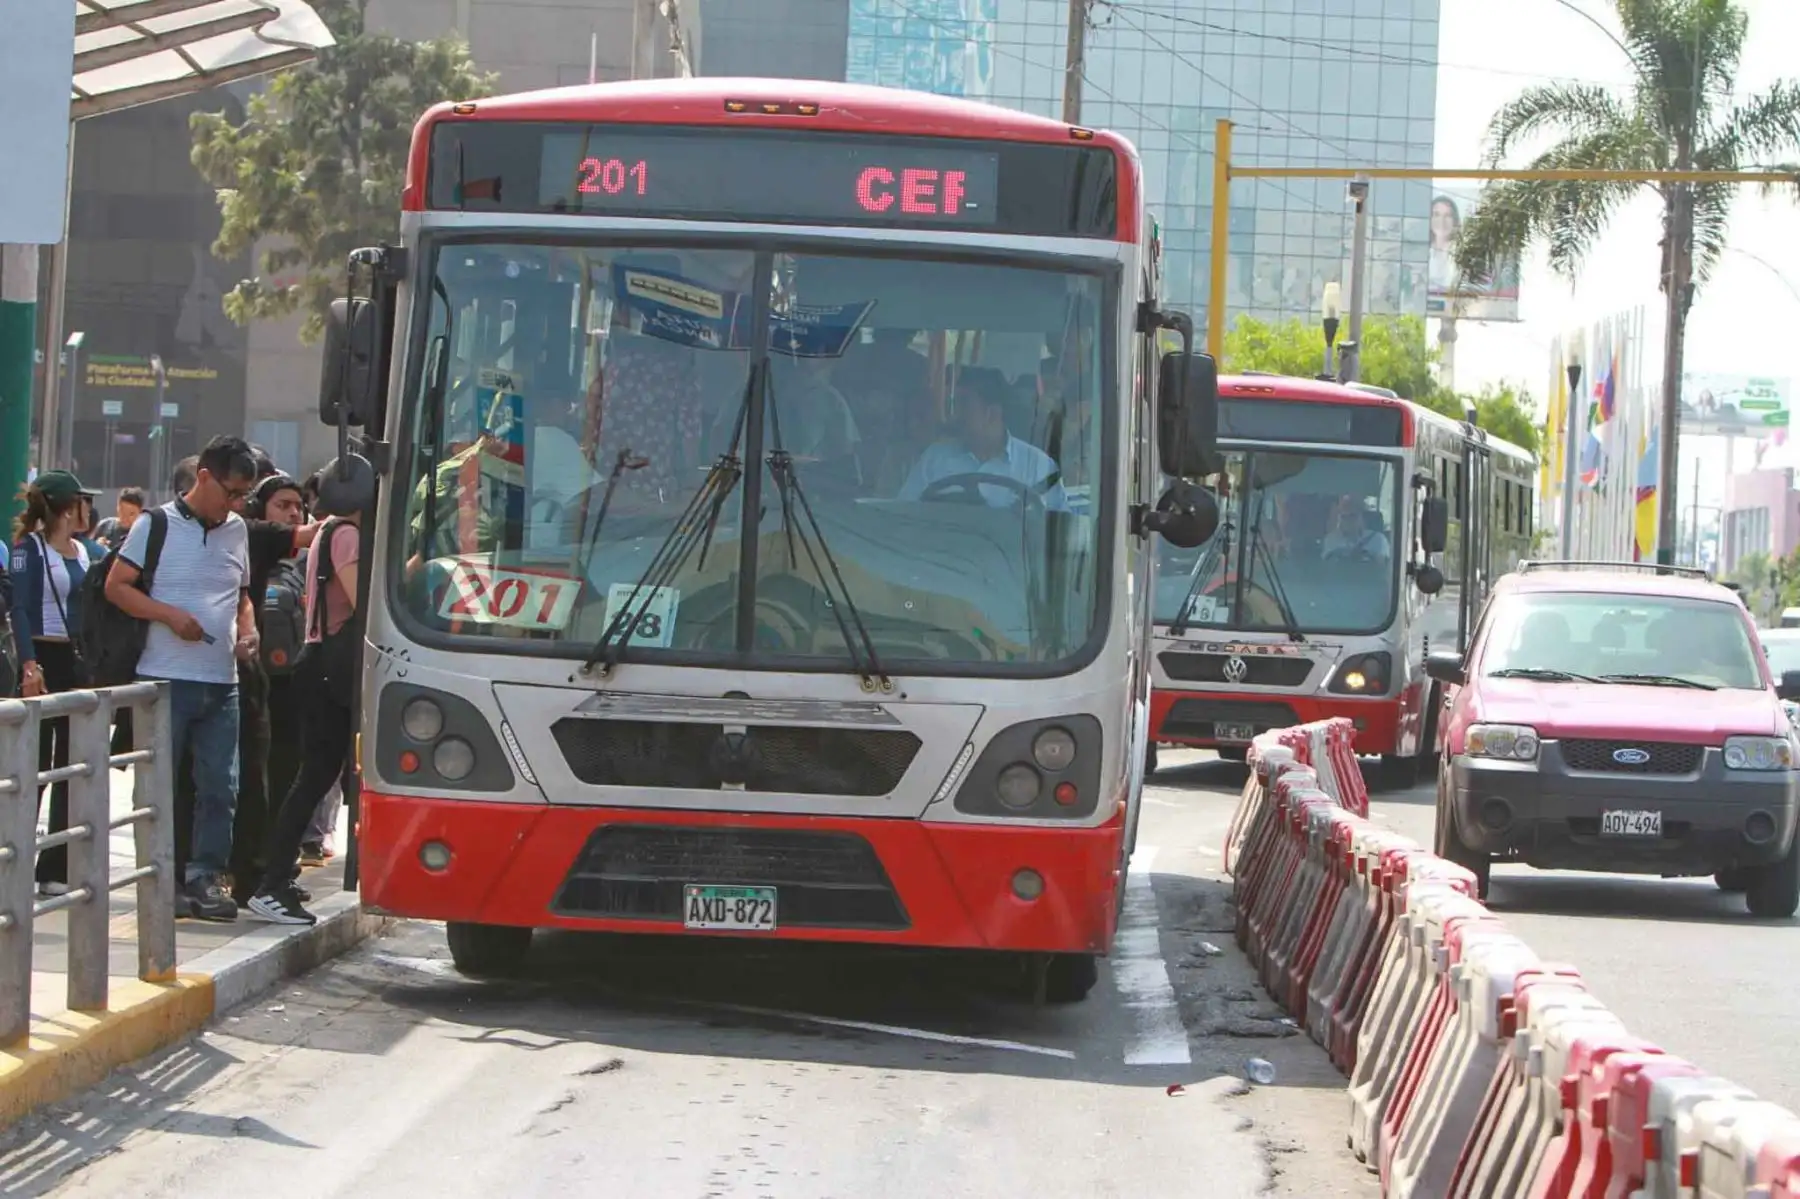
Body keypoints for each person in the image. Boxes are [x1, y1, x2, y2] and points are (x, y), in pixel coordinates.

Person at [105, 436, 260, 922]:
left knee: (221, 787)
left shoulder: (236, 531)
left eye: (243, 497)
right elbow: (117, 587)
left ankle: (205, 877)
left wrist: (249, 630)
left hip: (222, 681)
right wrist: (170, 616)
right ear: (205, 477)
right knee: (160, 789)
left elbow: (242, 594)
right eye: (231, 493)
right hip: (164, 679)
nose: (235, 505)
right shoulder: (155, 524)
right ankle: (160, 879)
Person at [249, 477, 362, 925]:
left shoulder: (330, 530)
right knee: (314, 776)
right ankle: (272, 883)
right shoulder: (347, 534)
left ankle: (276, 876)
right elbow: (362, 600)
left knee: (313, 775)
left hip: (317, 663)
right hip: (328, 667)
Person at [9, 471, 99, 896]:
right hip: (43, 657)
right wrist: (29, 663)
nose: (89, 509)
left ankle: (55, 866)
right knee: (33, 765)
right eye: (83, 501)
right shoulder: (30, 550)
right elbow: (21, 609)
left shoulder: (85, 551)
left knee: (70, 764)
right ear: (68, 507)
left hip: (74, 660)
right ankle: (14, 858)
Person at [896, 368, 1069, 511]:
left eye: (964, 405)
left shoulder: (1039, 468)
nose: (956, 415)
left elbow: (1060, 536)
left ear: (992, 414)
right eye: (955, 405)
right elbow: (902, 515)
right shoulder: (934, 459)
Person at [92, 487, 146, 551]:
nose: (125, 517)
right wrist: (96, 546)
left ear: (140, 512)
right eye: (122, 511)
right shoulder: (103, 526)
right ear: (117, 508)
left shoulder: (143, 534)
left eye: (131, 514)